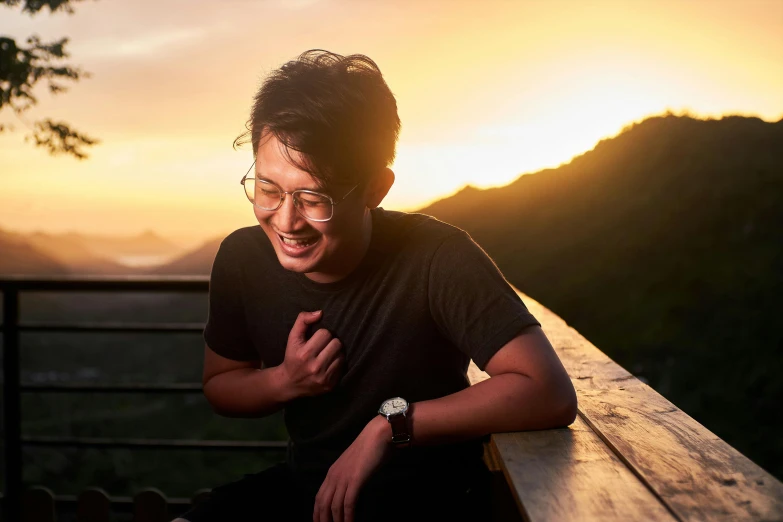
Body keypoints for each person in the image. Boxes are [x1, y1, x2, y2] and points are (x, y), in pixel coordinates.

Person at [174, 49, 577, 522]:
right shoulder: (242, 259)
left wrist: (390, 425)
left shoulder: (438, 257)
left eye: (312, 197)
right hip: (311, 493)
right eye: (267, 190)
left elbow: (547, 391)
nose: (285, 221)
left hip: (429, 504)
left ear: (375, 189)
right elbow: (221, 385)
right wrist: (285, 380)